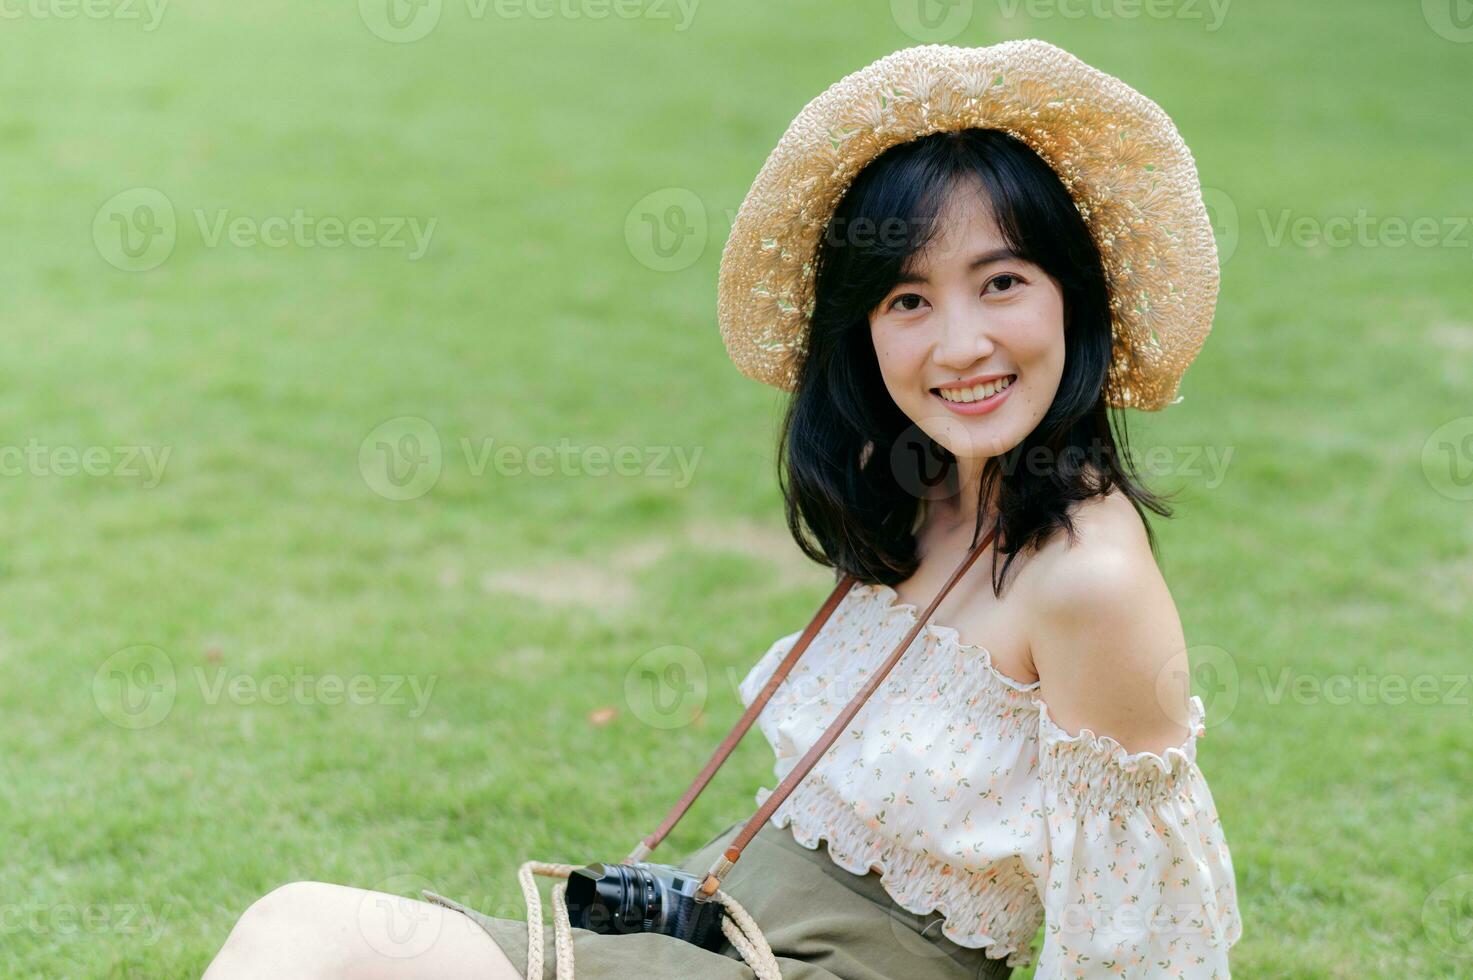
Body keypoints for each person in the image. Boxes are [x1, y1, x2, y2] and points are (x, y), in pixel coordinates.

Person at [204, 39, 1242, 979]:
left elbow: (1137, 941)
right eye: (908, 299)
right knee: (305, 935)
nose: (959, 343)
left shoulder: (1090, 579)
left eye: (1002, 281)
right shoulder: (934, 492)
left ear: (1075, 296)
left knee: (309, 930)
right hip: (723, 920)